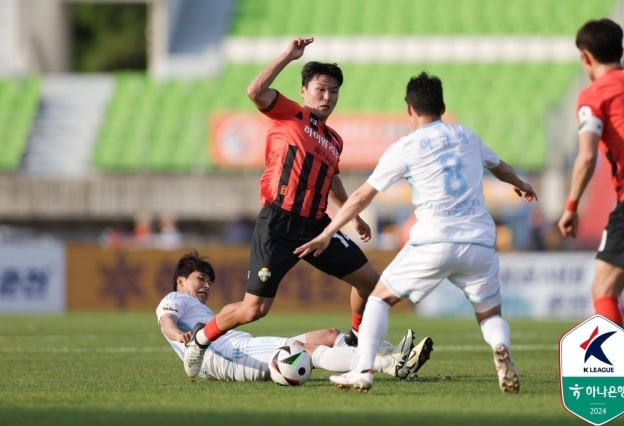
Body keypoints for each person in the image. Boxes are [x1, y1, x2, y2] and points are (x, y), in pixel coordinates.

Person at [295, 72, 537, 393]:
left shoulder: (406, 147)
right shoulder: (467, 136)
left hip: (433, 241)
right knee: (490, 315)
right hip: (479, 242)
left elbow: (363, 196)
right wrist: (522, 185)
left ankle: (363, 371)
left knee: (379, 300)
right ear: (443, 107)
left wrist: (330, 230)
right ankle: (499, 348)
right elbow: (501, 168)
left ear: (409, 109)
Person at [182, 37, 384, 378]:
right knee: (254, 309)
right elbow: (254, 90)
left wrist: (355, 216)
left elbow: (330, 180)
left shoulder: (335, 140)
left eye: (334, 91)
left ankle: (356, 340)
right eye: (320, 88)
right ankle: (200, 341)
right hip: (278, 222)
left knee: (371, 284)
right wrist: (288, 55)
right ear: (304, 90)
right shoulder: (289, 113)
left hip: (317, 225)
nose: (327, 97)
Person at [157, 251, 419, 382]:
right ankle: (389, 364)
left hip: (237, 348)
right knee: (300, 349)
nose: (206, 285)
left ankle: (385, 353)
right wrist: (179, 335)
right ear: (180, 281)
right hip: (230, 356)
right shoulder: (175, 299)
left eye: (209, 281)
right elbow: (166, 322)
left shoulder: (197, 308)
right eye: (200, 279)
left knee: (329, 334)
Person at [557, 19, 624, 328]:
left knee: (603, 289)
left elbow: (587, 156)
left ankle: (613, 373)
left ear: (585, 57)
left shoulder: (594, 95)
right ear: (621, 50)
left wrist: (571, 207)